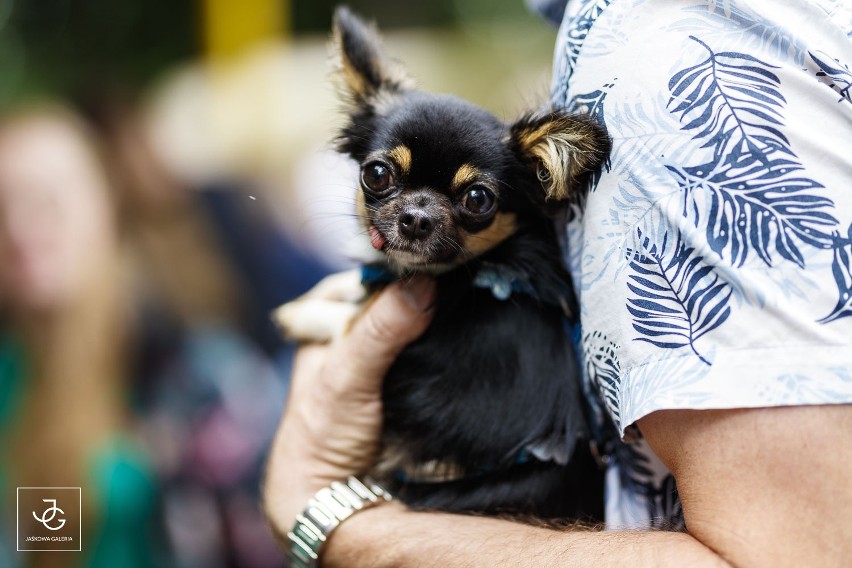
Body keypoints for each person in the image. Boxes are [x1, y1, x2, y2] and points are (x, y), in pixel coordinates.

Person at [262, 1, 852, 566]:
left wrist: (321, 511)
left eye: (473, 200)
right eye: (381, 177)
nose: (415, 214)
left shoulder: (682, 49)